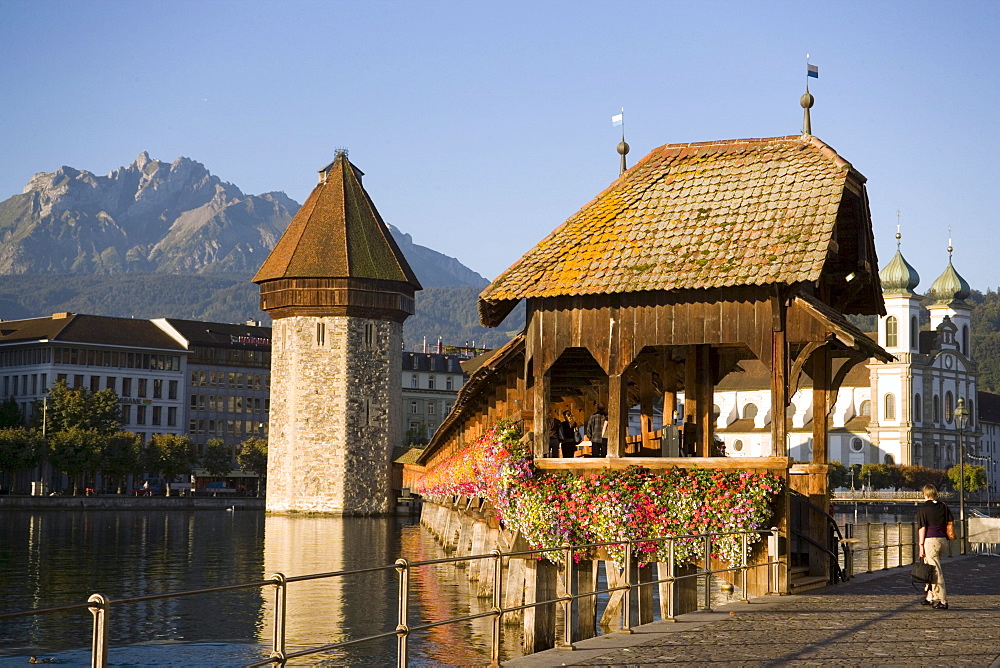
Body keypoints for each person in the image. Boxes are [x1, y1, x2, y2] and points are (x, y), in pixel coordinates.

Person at [916, 483, 953, 609]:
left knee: (936, 571)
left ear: (925, 494)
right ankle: (929, 597)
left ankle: (943, 600)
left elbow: (922, 528)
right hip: (942, 540)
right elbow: (950, 521)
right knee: (930, 568)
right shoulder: (943, 506)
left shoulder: (924, 508)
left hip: (930, 541)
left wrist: (920, 545)